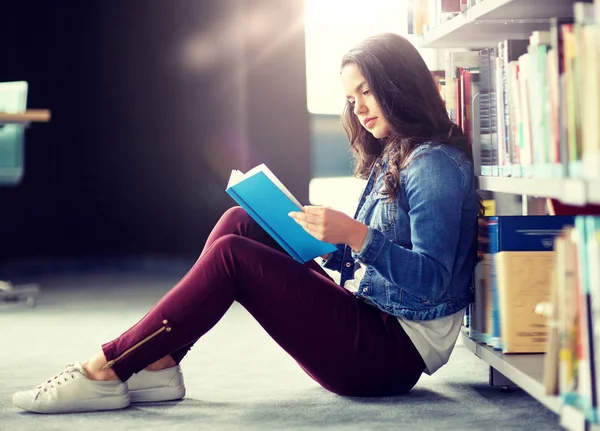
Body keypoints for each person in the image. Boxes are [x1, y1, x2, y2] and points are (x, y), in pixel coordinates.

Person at [12, 32, 481, 414]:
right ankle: (159, 362)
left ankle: (108, 368)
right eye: (350, 96)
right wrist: (308, 229)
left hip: (389, 357)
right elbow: (360, 260)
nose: (357, 107)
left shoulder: (433, 165)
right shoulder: (397, 153)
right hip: (375, 325)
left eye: (366, 90)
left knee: (233, 258)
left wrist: (356, 235)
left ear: (399, 85)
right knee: (243, 221)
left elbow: (434, 282)